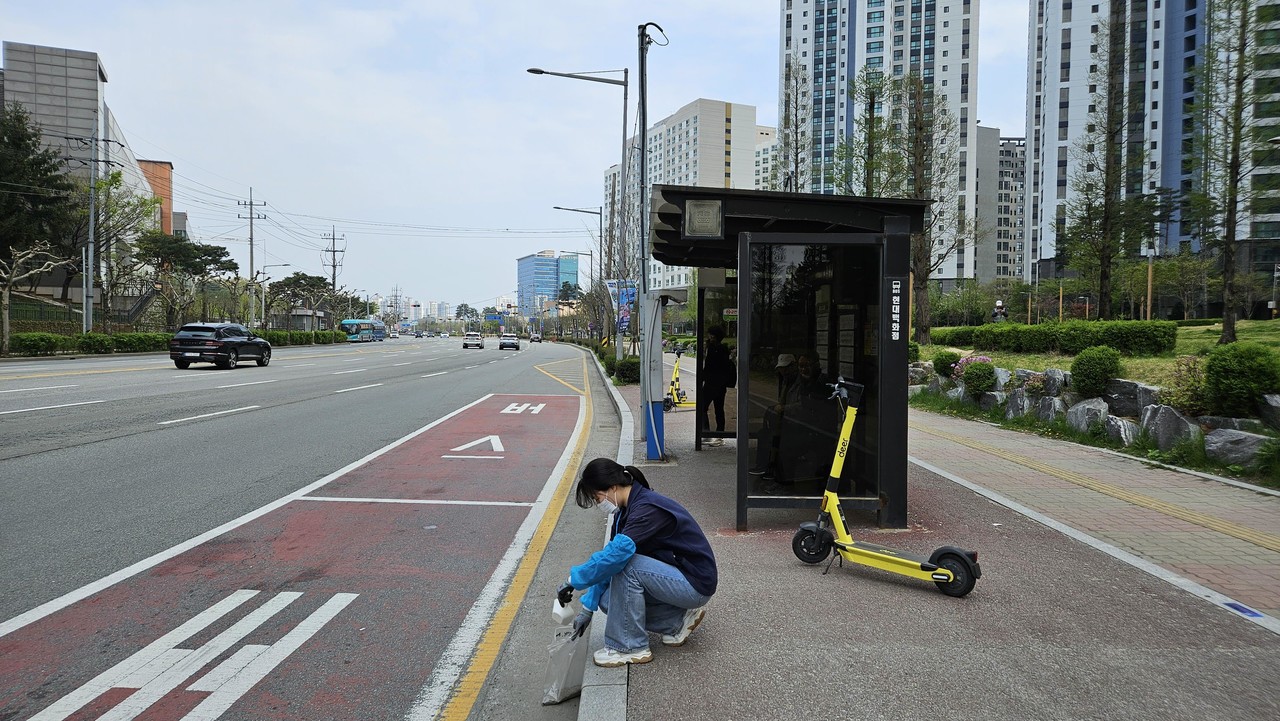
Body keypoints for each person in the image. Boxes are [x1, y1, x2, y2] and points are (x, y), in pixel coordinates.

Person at [557, 458, 718, 667]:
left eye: (597, 498)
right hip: (677, 576)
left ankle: (630, 646)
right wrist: (587, 609)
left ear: (612, 488)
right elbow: (609, 559)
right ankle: (677, 622)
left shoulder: (646, 509)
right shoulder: (626, 510)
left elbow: (616, 557)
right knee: (608, 600)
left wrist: (573, 580)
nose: (599, 504)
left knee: (627, 565)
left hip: (694, 582)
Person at [749, 353, 802, 480]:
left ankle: (771, 468)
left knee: (773, 438)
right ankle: (765, 466)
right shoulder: (785, 380)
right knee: (764, 433)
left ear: (793, 366)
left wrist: (784, 408)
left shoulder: (799, 383)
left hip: (795, 422)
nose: (783, 371)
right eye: (781, 368)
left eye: (786, 367)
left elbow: (802, 405)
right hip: (785, 419)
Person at [698, 325, 733, 447]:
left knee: (704, 407)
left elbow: (710, 366)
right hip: (717, 384)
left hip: (713, 383)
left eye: (711, 335)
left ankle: (709, 433)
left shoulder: (717, 349)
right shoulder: (718, 348)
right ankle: (716, 434)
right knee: (718, 409)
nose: (709, 337)